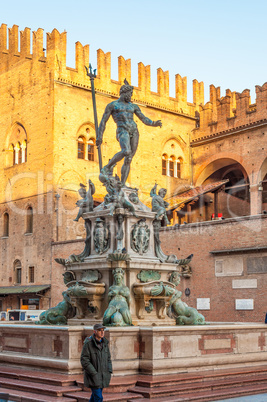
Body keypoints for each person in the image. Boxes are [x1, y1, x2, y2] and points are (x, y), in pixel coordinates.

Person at [97, 79, 162, 185]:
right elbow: (103, 121)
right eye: (130, 94)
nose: (131, 96)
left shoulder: (133, 106)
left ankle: (122, 185)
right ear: (124, 92)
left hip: (134, 131)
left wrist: (154, 123)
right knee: (126, 151)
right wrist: (99, 136)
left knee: (129, 158)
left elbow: (143, 119)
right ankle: (107, 167)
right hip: (122, 130)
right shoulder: (113, 105)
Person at [80, 323, 112, 402]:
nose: (102, 332)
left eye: (103, 330)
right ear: (95, 332)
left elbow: (108, 358)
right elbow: (84, 360)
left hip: (103, 375)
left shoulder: (105, 344)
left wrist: (109, 370)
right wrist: (94, 373)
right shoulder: (88, 344)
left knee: (94, 397)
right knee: (99, 398)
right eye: (99, 331)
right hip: (93, 376)